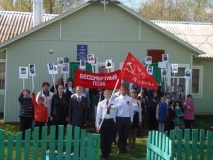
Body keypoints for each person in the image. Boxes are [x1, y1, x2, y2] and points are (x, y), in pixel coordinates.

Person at [107, 85, 133, 154]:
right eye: (122, 90)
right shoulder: (117, 99)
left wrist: (131, 119)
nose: (123, 91)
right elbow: (115, 110)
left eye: (124, 90)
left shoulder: (129, 99)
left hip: (127, 118)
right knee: (119, 134)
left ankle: (124, 148)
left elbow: (131, 110)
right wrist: (115, 119)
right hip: (119, 118)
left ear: (126, 91)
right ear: (119, 91)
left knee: (125, 134)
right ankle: (119, 148)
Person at [96, 89, 116, 160]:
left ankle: (108, 154)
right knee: (103, 138)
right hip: (103, 121)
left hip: (111, 121)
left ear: (111, 94)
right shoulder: (101, 103)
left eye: (109, 94)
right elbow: (98, 115)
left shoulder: (114, 102)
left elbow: (120, 105)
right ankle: (103, 153)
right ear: (104, 95)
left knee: (109, 138)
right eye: (106, 94)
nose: (107, 95)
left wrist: (111, 106)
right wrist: (97, 125)